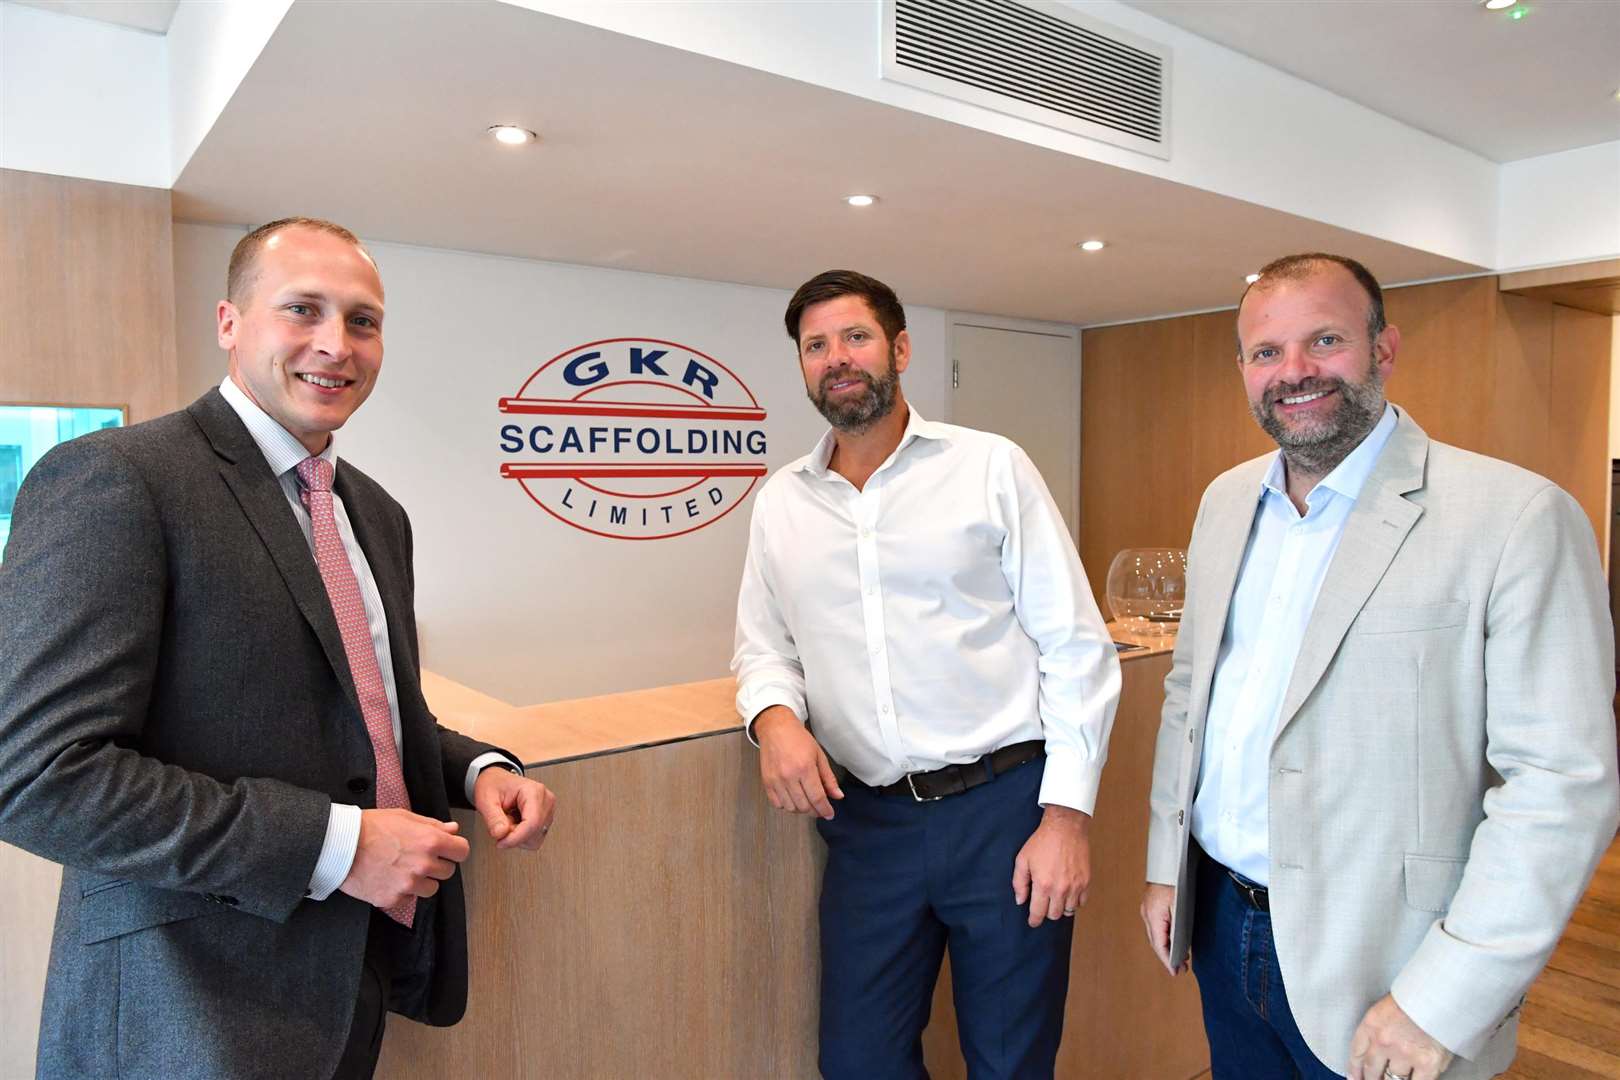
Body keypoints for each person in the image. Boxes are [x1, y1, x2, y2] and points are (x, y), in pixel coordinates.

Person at [0, 217, 559, 1080]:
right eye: (302, 310)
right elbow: (38, 777)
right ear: (229, 322)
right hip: (183, 1005)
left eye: (362, 321)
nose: (335, 345)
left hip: (349, 982)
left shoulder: (373, 512)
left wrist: (479, 768)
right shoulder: (118, 479)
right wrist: (333, 848)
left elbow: (363, 712)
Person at [1140, 252, 1619, 1080]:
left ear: (1384, 351)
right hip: (1222, 921)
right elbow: (1191, 697)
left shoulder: (1516, 517)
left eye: (1324, 341)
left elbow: (1563, 786)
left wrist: (1444, 996)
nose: (1294, 373)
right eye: (1266, 353)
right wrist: (1165, 866)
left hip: (1393, 963)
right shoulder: (1226, 502)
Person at [732, 269, 1120, 1078]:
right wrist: (773, 719)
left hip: (1005, 816)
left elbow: (1076, 645)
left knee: (1011, 1062)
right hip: (867, 826)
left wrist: (1066, 818)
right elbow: (763, 647)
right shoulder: (782, 502)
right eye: (816, 346)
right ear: (802, 367)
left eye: (856, 337)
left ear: (899, 348)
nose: (837, 358)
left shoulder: (990, 468)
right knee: (858, 1061)